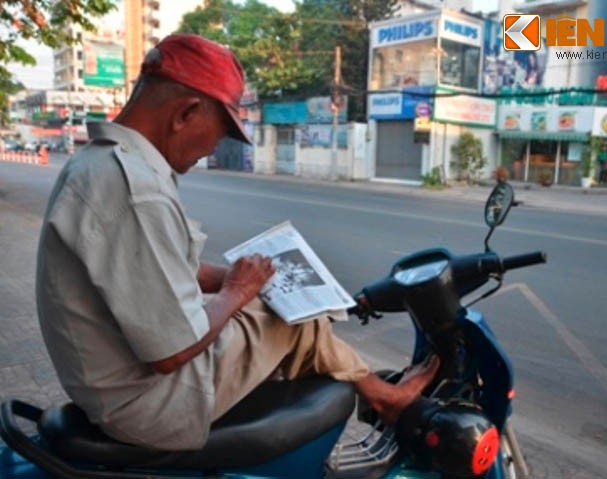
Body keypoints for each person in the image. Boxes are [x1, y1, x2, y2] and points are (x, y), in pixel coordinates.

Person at [35, 34, 439, 451]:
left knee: (272, 303)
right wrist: (237, 290)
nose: (215, 146)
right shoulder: (134, 189)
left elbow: (161, 272)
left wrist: (236, 279)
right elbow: (172, 351)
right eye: (221, 131)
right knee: (293, 317)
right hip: (151, 403)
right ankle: (387, 399)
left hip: (116, 387)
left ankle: (370, 394)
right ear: (186, 113)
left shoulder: (99, 165)